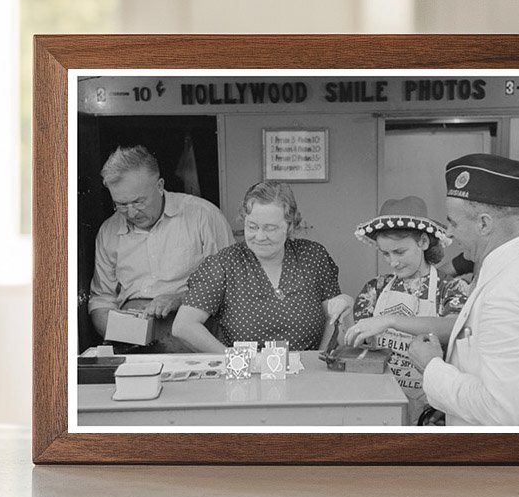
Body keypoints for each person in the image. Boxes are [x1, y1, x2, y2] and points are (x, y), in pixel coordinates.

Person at [407, 153, 519, 427]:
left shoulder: (505, 294)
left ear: (483, 223)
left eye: (453, 223)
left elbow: (502, 408)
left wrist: (431, 367)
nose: (450, 234)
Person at [172, 181, 353, 352]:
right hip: (245, 376)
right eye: (252, 226)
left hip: (306, 373)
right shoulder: (224, 265)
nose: (259, 237)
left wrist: (318, 362)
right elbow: (184, 326)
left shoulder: (312, 257)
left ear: (290, 226)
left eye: (270, 228)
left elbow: (334, 317)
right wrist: (234, 361)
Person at [88, 145, 234, 351]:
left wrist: (179, 299)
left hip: (193, 332)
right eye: (121, 204)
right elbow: (102, 299)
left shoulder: (203, 216)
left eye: (138, 201)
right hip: (130, 339)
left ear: (159, 185)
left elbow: (231, 285)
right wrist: (119, 334)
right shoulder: (108, 231)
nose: (131, 212)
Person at [343, 197, 471, 424]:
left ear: (423, 242)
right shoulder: (374, 289)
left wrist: (390, 320)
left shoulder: (450, 288)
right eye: (385, 254)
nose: (392, 262)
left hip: (432, 412)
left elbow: (452, 327)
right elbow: (357, 350)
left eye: (399, 252)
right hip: (379, 405)